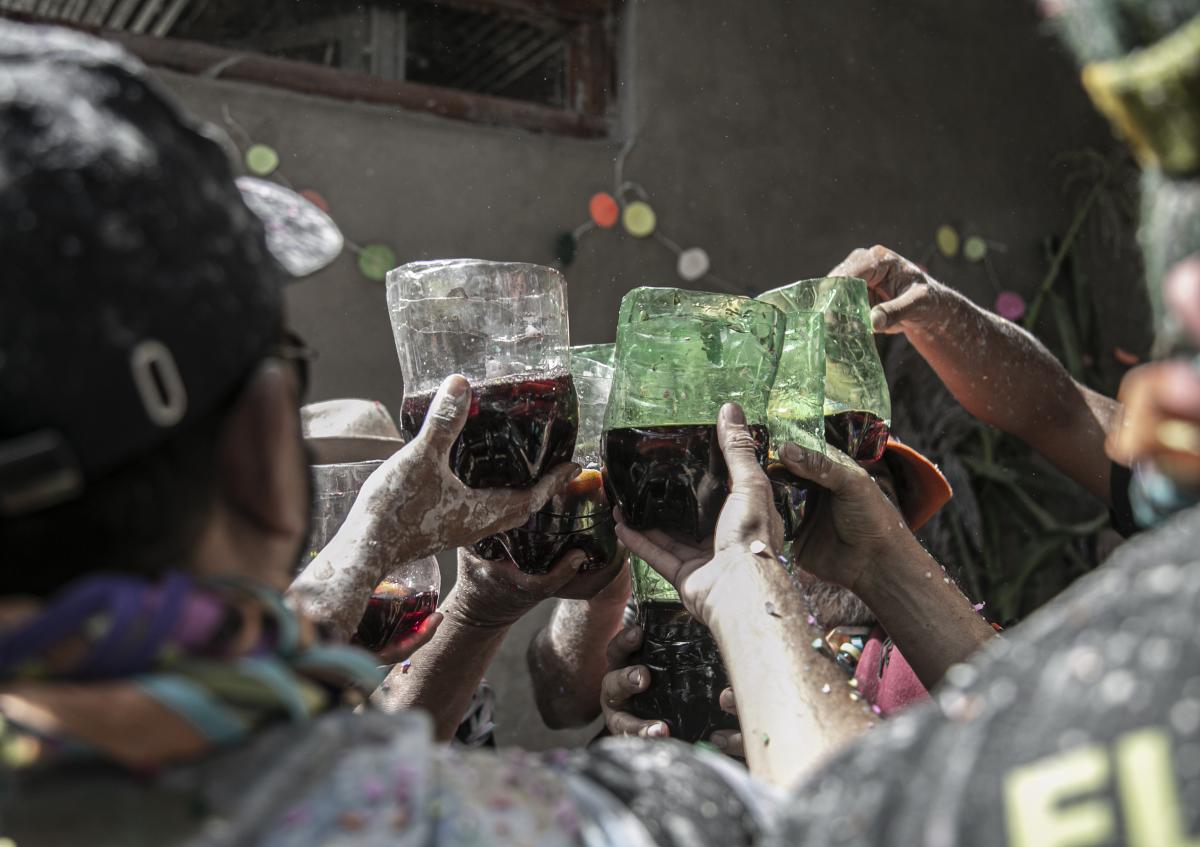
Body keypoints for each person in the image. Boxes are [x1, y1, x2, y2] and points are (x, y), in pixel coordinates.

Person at [0, 23, 802, 845]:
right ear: (262, 455)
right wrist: (747, 583)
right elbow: (865, 813)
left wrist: (402, 551)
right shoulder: (573, 822)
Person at [586, 438, 984, 758]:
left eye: (875, 491)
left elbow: (1011, 725)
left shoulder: (919, 662)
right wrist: (648, 745)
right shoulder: (697, 644)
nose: (833, 514)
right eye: (798, 492)